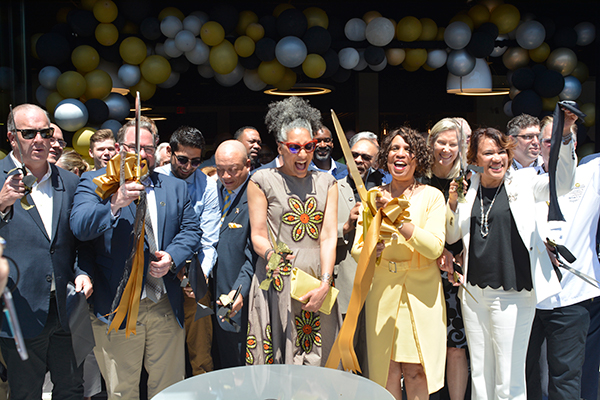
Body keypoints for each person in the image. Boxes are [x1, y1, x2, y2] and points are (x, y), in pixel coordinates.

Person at [70, 118, 201, 399]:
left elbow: (191, 230)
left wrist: (173, 257)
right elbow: (80, 228)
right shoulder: (94, 182)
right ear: (118, 148)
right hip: (117, 307)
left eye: (148, 148)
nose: (142, 155)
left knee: (169, 389)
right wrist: (115, 203)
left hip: (164, 303)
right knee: (121, 391)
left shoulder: (174, 187)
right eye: (133, 147)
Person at [444, 125, 576, 400]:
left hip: (514, 294)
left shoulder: (525, 182)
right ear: (475, 160)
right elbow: (453, 234)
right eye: (488, 153)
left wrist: (566, 137)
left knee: (509, 378)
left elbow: (562, 184)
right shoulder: (470, 189)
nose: (497, 158)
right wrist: (453, 202)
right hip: (473, 294)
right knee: (480, 373)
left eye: (502, 152)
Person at [0, 104, 93, 400]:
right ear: (12, 138)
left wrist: (83, 272)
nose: (40, 139)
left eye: (46, 132)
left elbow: (78, 241)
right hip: (20, 306)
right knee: (25, 393)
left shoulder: (69, 181)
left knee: (71, 389)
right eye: (29, 133)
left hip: (67, 307)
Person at [351, 127, 446, 399]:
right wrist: (373, 249)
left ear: (418, 158)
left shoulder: (432, 197)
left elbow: (434, 247)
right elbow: (358, 251)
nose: (400, 153)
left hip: (422, 291)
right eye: (394, 148)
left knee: (417, 370)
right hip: (383, 291)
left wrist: (398, 220)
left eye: (407, 149)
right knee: (386, 370)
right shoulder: (372, 197)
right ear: (386, 157)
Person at [245, 96, 340, 366]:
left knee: (317, 359)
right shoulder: (261, 180)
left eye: (308, 146)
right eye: (294, 147)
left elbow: (328, 236)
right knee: (277, 358)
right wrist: (276, 260)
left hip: (315, 281)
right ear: (280, 148)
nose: (303, 154)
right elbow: (258, 236)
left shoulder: (328, 182)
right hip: (276, 278)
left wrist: (324, 283)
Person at [526, 112, 596, 400]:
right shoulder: (521, 179)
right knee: (527, 375)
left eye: (561, 140)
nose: (551, 146)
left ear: (573, 143)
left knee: (566, 379)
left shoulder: (593, 174)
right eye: (547, 141)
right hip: (527, 296)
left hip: (574, 295)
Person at [156, 126, 220, 376]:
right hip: (160, 270)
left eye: (196, 161)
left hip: (194, 272)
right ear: (170, 151)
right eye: (183, 160)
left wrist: (201, 274)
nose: (189, 167)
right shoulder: (154, 178)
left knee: (201, 350)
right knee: (163, 348)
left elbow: (209, 236)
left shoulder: (207, 184)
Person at [424, 118, 469, 400]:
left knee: (456, 345)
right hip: (424, 267)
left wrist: (464, 250)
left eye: (453, 144)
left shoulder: (466, 179)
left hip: (456, 271)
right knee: (427, 342)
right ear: (431, 143)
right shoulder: (417, 177)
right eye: (441, 142)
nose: (446, 149)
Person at [212, 140, 257, 368]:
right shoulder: (213, 192)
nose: (226, 176)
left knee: (239, 369)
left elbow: (254, 255)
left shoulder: (256, 197)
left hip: (238, 301)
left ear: (248, 165)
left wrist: (239, 290)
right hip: (211, 299)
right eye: (220, 169)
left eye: (233, 169)